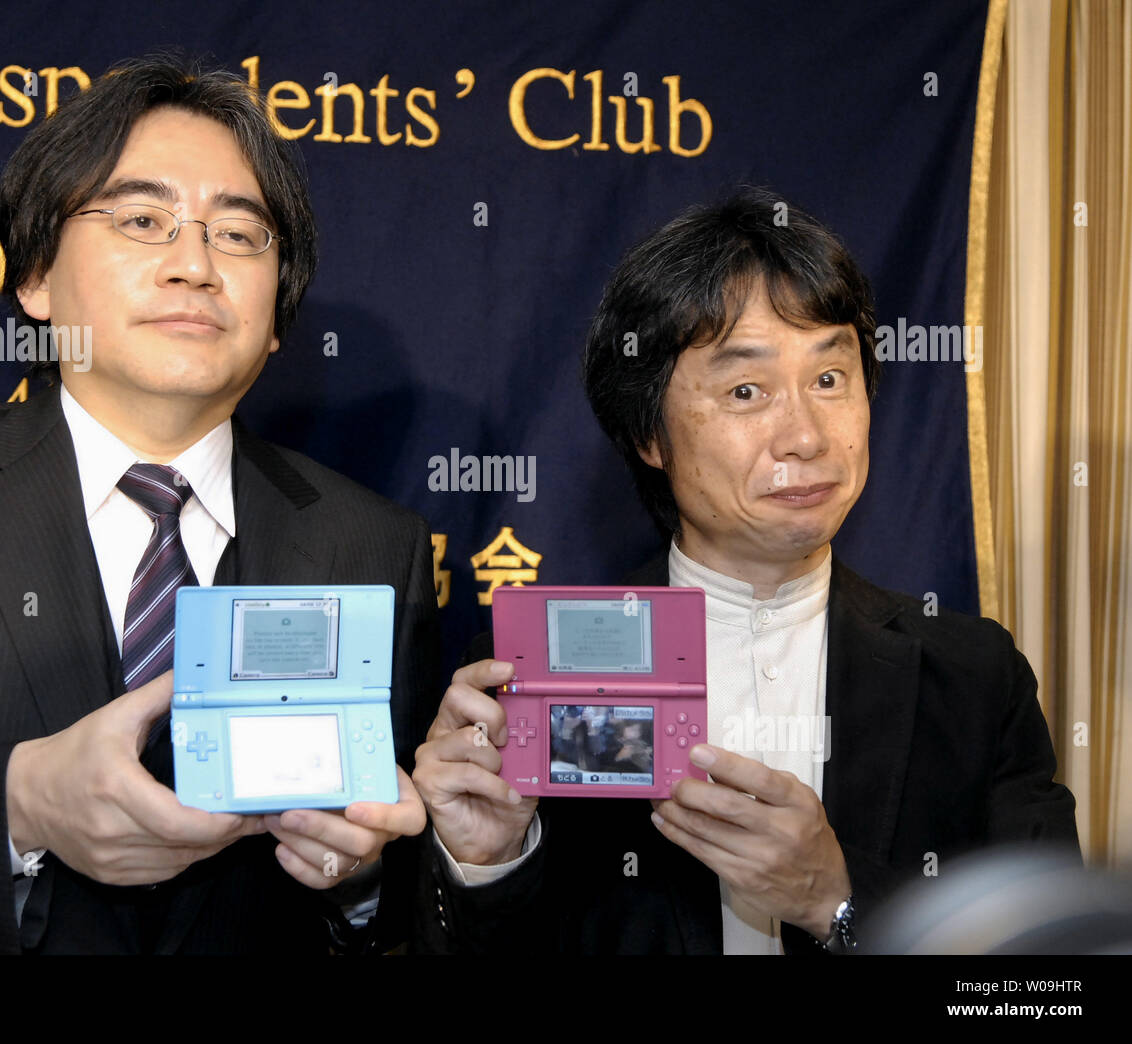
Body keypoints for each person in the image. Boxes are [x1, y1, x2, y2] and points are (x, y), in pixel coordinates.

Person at [0, 57, 438, 954]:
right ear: (35, 278)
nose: (194, 264)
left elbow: (398, 901)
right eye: (143, 220)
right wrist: (16, 805)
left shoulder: (372, 544)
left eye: (239, 236)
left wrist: (360, 877)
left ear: (277, 316)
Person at [412, 188, 1080, 954]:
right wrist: (487, 862)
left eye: (830, 379)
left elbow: (1047, 987)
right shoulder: (528, 671)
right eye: (745, 391)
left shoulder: (972, 677)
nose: (804, 435)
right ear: (648, 433)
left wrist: (836, 898)